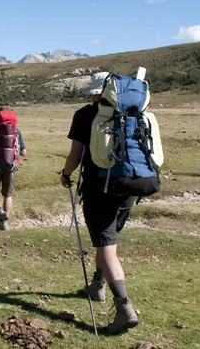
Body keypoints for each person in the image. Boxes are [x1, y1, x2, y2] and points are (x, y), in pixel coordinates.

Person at [60, 72, 138, 334]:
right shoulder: (131, 112)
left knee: (106, 245)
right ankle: (97, 285)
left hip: (99, 188)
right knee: (109, 240)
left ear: (97, 92)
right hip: (129, 185)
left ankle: (124, 307)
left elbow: (75, 156)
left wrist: (66, 174)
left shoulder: (84, 114)